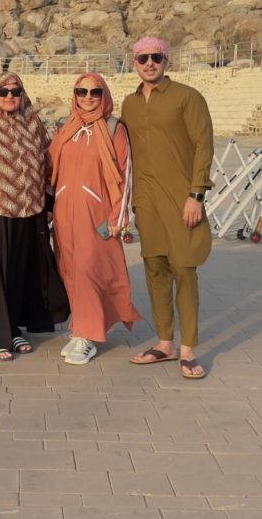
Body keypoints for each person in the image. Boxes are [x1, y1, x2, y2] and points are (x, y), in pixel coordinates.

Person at [0, 73, 69, 360]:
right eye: (3, 92)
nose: (9, 96)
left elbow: (46, 165)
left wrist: (49, 203)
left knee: (19, 272)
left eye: (15, 91)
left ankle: (13, 329)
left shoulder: (33, 126)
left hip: (28, 211)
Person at [121, 37, 214, 379]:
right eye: (143, 58)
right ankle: (165, 343)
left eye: (156, 57)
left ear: (166, 61)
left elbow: (204, 145)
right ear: (134, 63)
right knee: (155, 267)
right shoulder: (129, 104)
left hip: (181, 198)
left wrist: (197, 194)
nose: (149, 63)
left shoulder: (187, 98)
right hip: (145, 200)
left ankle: (188, 349)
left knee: (184, 268)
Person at [48, 73, 142, 365]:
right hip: (65, 213)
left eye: (95, 92)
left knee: (91, 271)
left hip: (97, 213)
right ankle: (80, 328)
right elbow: (51, 168)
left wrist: (118, 216)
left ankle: (88, 335)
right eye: (81, 91)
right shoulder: (65, 128)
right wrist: (49, 207)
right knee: (70, 270)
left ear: (104, 96)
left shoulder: (114, 128)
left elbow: (125, 174)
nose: (88, 97)